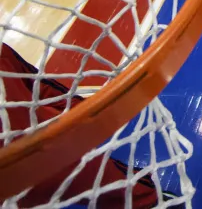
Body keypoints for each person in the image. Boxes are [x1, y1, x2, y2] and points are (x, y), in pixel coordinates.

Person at [0, 42, 184, 208]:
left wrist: (86, 112)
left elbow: (34, 85)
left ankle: (144, 200)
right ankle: (145, 202)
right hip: (38, 158)